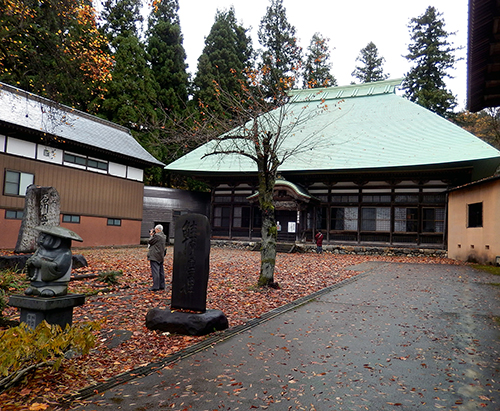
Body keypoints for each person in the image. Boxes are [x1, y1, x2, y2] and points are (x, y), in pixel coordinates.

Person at [147, 224, 166, 291]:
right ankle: (162, 285)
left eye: (155, 229)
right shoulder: (163, 236)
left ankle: (156, 286)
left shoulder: (157, 236)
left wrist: (151, 235)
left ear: (157, 230)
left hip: (154, 255)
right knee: (161, 271)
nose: (154, 231)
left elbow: (150, 241)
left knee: (155, 271)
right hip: (160, 255)